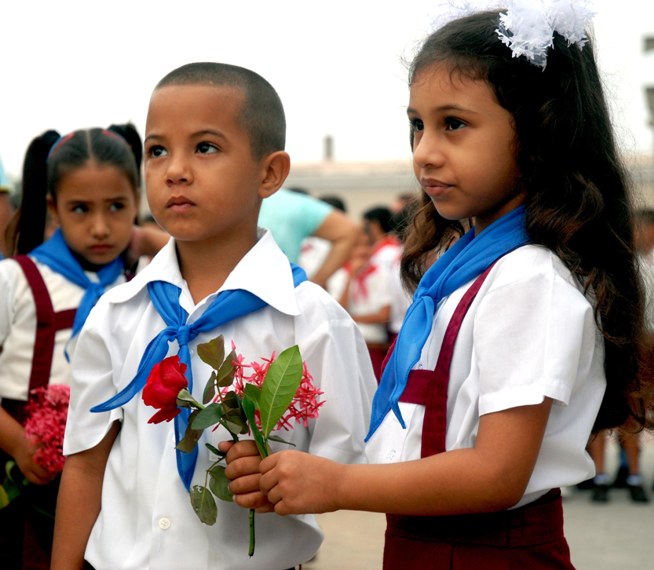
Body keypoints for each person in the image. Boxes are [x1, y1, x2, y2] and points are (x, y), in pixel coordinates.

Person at [225, 5, 654, 568]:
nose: (424, 150)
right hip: (430, 543)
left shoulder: (528, 278)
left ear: (539, 134)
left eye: (454, 123)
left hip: (485, 552)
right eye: (417, 125)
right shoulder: (465, 269)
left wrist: (338, 486)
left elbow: (496, 474)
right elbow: (424, 427)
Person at [51, 62, 377, 570]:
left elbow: (350, 470)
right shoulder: (116, 313)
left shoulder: (312, 322)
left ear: (269, 173)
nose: (174, 170)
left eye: (205, 147)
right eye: (157, 150)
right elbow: (87, 466)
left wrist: (278, 476)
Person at [0, 125, 144, 570]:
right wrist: (20, 444)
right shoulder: (16, 280)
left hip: (108, 478)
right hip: (20, 468)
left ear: (137, 201)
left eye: (117, 207)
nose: (100, 227)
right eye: (80, 209)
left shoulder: (140, 286)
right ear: (53, 207)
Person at [258, 186, 359, 288]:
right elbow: (348, 231)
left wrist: (314, 284)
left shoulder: (290, 205)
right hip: (281, 294)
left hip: (279, 293)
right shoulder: (291, 204)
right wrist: (315, 283)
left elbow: (348, 231)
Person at [329, 227, 392, 380]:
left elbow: (384, 315)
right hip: (347, 346)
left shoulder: (382, 274)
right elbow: (337, 312)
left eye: (367, 245)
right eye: (357, 246)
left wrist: (351, 317)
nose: (362, 251)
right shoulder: (339, 276)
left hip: (374, 344)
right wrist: (350, 277)